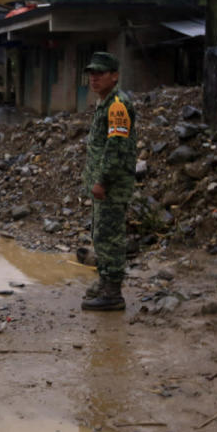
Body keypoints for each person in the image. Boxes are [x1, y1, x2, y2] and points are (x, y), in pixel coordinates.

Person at [80, 52, 136, 312]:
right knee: (100, 235)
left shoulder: (117, 105)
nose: (94, 78)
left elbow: (115, 148)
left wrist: (101, 181)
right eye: (92, 73)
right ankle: (105, 283)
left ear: (114, 76)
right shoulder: (106, 102)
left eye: (100, 73)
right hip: (105, 187)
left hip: (112, 186)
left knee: (110, 238)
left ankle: (113, 294)